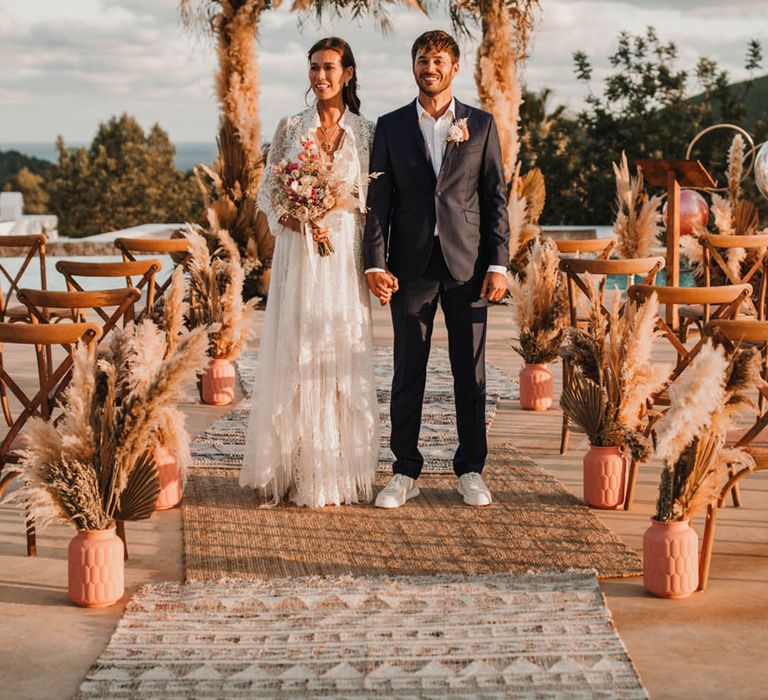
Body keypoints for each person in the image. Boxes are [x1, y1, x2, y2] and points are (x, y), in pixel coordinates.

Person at [364, 30, 510, 509]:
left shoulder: (482, 124)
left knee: (470, 371)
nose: (431, 67)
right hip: (410, 266)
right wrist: (375, 264)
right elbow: (379, 203)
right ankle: (405, 470)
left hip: (467, 264)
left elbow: (494, 199)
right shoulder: (390, 126)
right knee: (409, 369)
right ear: (414, 67)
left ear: (455, 67)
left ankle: (470, 468)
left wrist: (498, 263)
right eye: (423, 59)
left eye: (439, 60)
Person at [240, 37, 380, 507]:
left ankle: (338, 472)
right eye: (314, 68)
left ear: (348, 74)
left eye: (330, 68)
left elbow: (372, 203)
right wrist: (298, 219)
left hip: (344, 258)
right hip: (299, 255)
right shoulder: (290, 126)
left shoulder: (367, 132)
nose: (321, 77)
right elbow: (267, 195)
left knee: (340, 349)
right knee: (296, 350)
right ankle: (294, 469)